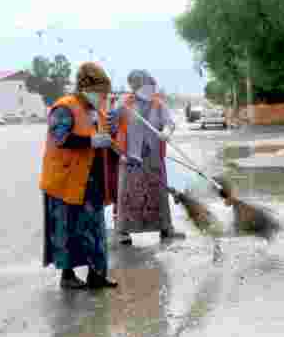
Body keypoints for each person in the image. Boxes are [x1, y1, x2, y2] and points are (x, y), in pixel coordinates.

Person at [40, 62, 119, 289]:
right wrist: (91, 141)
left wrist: (119, 154)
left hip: (91, 178)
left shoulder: (95, 111)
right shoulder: (64, 108)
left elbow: (105, 138)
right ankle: (68, 276)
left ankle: (97, 275)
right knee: (67, 229)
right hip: (64, 180)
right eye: (100, 92)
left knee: (95, 228)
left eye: (104, 93)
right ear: (86, 88)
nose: (102, 96)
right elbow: (60, 138)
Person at [109, 70, 186, 246]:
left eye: (152, 86)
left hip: (153, 156)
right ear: (136, 87)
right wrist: (112, 108)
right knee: (129, 194)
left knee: (157, 192)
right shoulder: (125, 104)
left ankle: (166, 228)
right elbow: (110, 125)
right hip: (131, 157)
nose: (150, 90)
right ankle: (123, 231)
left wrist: (166, 131)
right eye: (146, 86)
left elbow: (169, 122)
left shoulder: (159, 105)